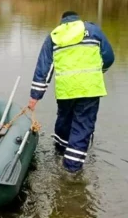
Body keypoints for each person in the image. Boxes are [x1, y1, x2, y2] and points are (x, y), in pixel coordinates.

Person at [27, 11, 115, 173]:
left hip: (66, 91)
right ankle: (71, 171)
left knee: (64, 121)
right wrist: (99, 71)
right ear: (78, 20)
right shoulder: (93, 31)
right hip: (90, 89)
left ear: (63, 22)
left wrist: (35, 97)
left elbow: (44, 69)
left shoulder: (54, 36)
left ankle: (60, 151)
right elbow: (108, 57)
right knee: (82, 126)